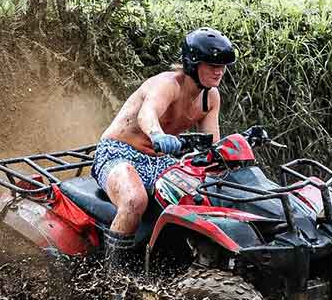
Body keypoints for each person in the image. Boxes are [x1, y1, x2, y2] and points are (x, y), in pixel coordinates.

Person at [91, 27, 236, 269]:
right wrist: (157, 134)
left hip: (159, 161)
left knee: (208, 192)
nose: (219, 70)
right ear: (192, 64)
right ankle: (112, 278)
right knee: (134, 200)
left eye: (222, 64)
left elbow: (212, 143)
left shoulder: (210, 97)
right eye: (211, 64)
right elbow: (147, 115)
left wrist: (226, 156)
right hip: (117, 153)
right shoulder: (168, 84)